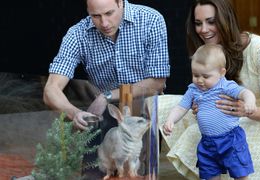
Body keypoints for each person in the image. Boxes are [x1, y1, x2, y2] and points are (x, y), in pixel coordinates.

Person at [158, 0, 260, 179]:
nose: (203, 29)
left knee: (200, 136)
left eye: (211, 21)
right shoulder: (208, 50)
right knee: (161, 105)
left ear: (226, 20)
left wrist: (243, 110)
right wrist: (199, 104)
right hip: (227, 115)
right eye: (198, 23)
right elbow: (207, 93)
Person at [43, 0, 170, 178]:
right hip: (103, 117)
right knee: (95, 174)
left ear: (121, 3)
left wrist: (107, 96)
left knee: (138, 174)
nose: (104, 23)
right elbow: (51, 90)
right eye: (95, 16)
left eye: (109, 13)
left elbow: (157, 82)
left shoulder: (151, 20)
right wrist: (74, 113)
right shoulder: (77, 34)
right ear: (87, 10)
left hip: (144, 111)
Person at [163, 44, 256, 180]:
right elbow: (181, 107)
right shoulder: (193, 89)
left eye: (205, 76)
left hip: (231, 139)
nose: (200, 80)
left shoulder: (225, 86)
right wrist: (170, 120)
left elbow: (245, 92)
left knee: (240, 172)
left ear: (221, 73)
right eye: (195, 75)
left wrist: (250, 102)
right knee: (209, 174)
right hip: (208, 143)